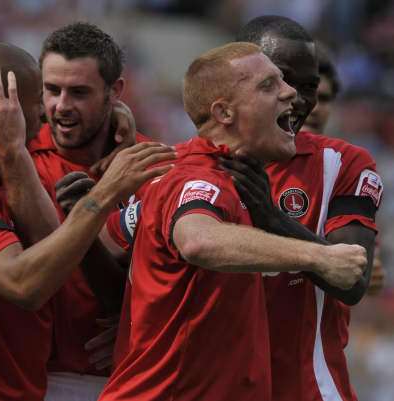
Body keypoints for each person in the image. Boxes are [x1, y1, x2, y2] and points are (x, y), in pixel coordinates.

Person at [97, 42, 367, 401]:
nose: (290, 94)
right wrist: (319, 257)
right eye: (268, 86)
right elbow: (198, 240)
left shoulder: (187, 171)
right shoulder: (201, 178)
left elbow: (108, 237)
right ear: (224, 113)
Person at [0, 41, 174, 401]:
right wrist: (103, 195)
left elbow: (53, 249)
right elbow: (25, 285)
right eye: (43, 95)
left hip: (21, 385)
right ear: (1, 106)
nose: (50, 111)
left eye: (79, 92)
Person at [215, 15, 382, 401]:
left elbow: (353, 284)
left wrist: (271, 217)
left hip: (306, 389)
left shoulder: (343, 164)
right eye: (282, 81)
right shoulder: (188, 165)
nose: (298, 98)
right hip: (215, 385)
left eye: (310, 87)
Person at [27, 22, 147, 399]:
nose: (60, 106)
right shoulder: (13, 158)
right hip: (29, 379)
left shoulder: (151, 165)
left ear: (116, 92)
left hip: (124, 380)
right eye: (51, 90)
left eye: (79, 92)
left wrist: (138, 320)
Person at [302, 41, 385, 296]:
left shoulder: (350, 169)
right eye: (307, 95)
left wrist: (365, 268)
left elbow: (361, 275)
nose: (314, 108)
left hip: (318, 331)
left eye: (324, 98)